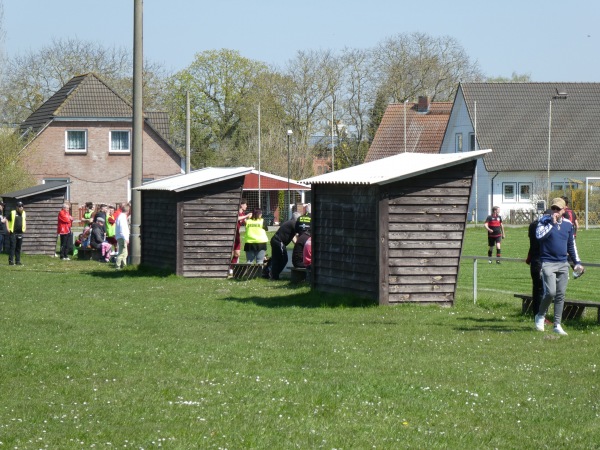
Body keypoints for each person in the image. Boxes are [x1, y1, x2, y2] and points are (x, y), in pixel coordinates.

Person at [534, 197, 584, 336]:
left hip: (563, 263)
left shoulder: (568, 224)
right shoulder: (544, 221)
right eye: (553, 208)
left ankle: (557, 324)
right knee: (550, 292)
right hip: (548, 262)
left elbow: (571, 245)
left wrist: (577, 262)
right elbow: (539, 236)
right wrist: (552, 223)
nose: (555, 211)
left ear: (564, 210)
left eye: (558, 209)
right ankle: (540, 316)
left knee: (560, 295)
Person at [269, 212, 300, 280]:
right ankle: (274, 274)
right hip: (279, 241)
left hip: (275, 240)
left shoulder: (289, 223)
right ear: (297, 219)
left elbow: (292, 236)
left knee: (276, 259)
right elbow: (299, 234)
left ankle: (272, 275)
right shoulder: (293, 224)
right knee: (284, 259)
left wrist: (297, 244)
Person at [561, 196, 583, 278]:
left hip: (565, 234)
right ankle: (576, 268)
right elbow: (577, 225)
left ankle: (575, 269)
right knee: (569, 252)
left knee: (566, 253)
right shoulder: (572, 212)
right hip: (573, 234)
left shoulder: (563, 212)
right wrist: (574, 233)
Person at [230, 199, 251, 274]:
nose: (246, 206)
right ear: (241, 205)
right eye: (245, 204)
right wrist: (246, 216)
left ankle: (231, 268)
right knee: (230, 253)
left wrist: (250, 218)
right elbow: (237, 218)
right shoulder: (237, 213)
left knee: (237, 254)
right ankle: (228, 269)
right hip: (232, 234)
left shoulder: (243, 214)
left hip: (237, 235)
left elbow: (246, 223)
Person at [7, 201, 26, 266]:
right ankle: (11, 261)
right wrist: (8, 228)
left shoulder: (24, 213)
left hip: (20, 233)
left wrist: (25, 228)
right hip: (13, 233)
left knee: (18, 248)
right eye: (19, 206)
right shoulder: (13, 213)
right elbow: (7, 219)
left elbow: (24, 221)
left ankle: (18, 261)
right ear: (17, 207)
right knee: (12, 247)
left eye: (22, 206)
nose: (21, 207)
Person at [115, 204, 130, 269]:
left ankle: (124, 265)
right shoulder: (122, 217)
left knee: (125, 253)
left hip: (121, 236)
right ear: (128, 211)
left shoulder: (120, 216)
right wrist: (125, 238)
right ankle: (117, 266)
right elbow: (122, 229)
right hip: (122, 237)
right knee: (121, 253)